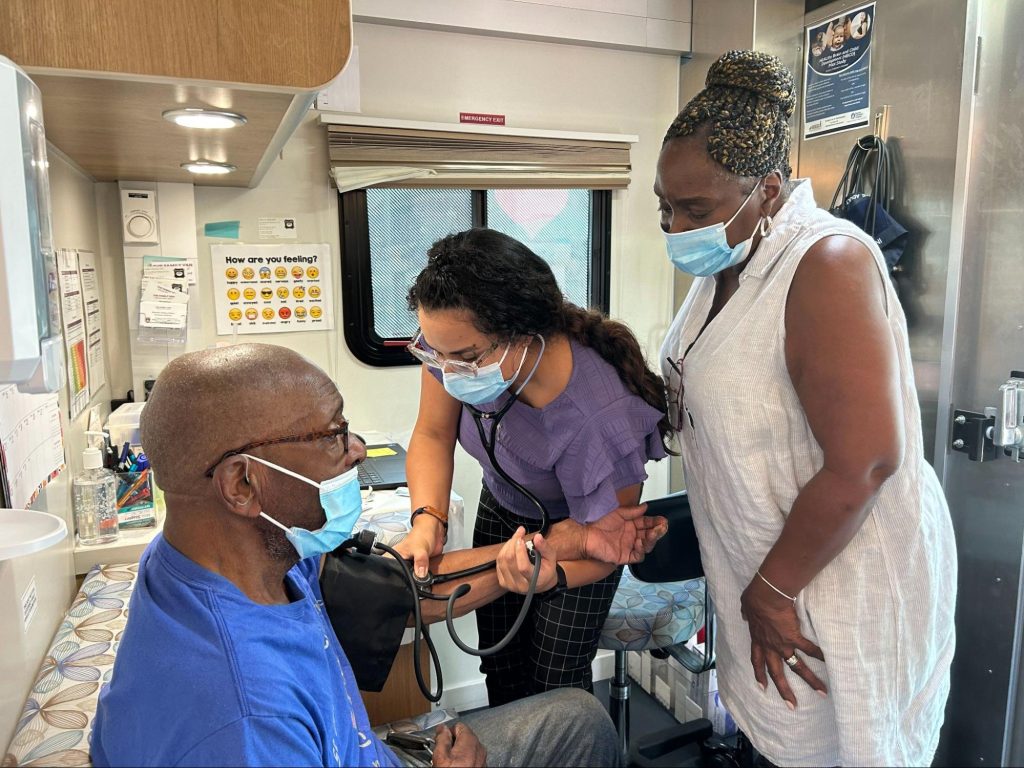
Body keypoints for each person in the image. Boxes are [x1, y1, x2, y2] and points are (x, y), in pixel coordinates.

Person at [90, 343, 658, 767]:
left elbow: (397, 592)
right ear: (242, 484)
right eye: (332, 435)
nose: (358, 450)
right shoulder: (246, 721)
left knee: (577, 718)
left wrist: (559, 544)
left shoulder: (228, 558)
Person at [655, 50, 956, 766]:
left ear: (768, 189)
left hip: (831, 583)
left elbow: (867, 461)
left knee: (840, 746)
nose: (674, 227)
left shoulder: (826, 262)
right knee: (774, 742)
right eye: (664, 206)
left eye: (694, 210)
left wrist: (769, 592)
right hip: (763, 577)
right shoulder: (728, 263)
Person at [398, 228, 672, 707]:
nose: (445, 368)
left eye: (463, 357)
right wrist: (427, 521)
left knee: (554, 685)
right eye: (434, 353)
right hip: (501, 507)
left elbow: (611, 538)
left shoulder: (601, 416)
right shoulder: (453, 346)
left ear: (523, 338)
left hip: (584, 535)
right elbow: (433, 435)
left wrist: (554, 576)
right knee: (500, 666)